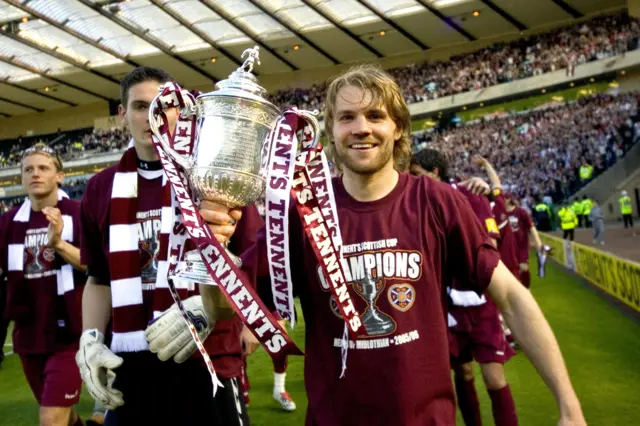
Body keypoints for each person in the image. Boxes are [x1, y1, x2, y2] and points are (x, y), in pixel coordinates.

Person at [202, 64, 586, 425]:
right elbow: (224, 308)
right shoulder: (300, 213)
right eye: (347, 118)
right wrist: (210, 253)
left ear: (398, 127)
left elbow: (512, 297)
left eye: (375, 116)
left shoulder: (435, 201)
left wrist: (569, 406)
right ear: (330, 132)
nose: (361, 128)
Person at [75, 66, 262, 425]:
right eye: (141, 106)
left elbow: (249, 270)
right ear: (122, 114)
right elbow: (98, 279)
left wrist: (206, 306)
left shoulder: (215, 175)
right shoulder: (100, 189)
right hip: (131, 362)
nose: (153, 116)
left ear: (182, 111)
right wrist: (90, 339)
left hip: (206, 361)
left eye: (164, 105)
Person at [411, 149, 519, 426]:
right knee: (463, 374)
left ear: (435, 172)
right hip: (445, 304)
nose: (413, 181)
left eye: (417, 174)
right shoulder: (417, 204)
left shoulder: (471, 195)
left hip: (480, 301)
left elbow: (489, 250)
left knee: (494, 377)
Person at [0, 144, 86, 426]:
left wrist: (59, 244)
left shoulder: (78, 212)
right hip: (28, 336)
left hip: (69, 335)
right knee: (63, 415)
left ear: (59, 176)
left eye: (43, 168)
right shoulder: (8, 223)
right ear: (21, 179)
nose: (35, 174)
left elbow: (96, 266)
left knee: (50, 418)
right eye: (28, 169)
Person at [504, 194, 544, 289]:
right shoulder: (500, 214)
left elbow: (531, 227)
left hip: (522, 245)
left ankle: (527, 288)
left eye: (503, 198)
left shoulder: (521, 212)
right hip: (508, 246)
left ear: (509, 199)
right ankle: (517, 290)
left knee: (523, 267)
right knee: (512, 270)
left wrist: (538, 242)